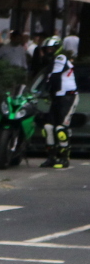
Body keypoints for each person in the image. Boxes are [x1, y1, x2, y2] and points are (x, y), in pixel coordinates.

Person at [39, 41, 78, 169]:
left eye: (51, 49)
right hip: (57, 97)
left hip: (68, 97)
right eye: (47, 49)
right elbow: (47, 80)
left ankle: (64, 158)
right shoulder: (51, 64)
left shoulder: (60, 58)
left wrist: (46, 90)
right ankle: (51, 157)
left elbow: (55, 78)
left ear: (57, 48)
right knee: (48, 127)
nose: (49, 52)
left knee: (60, 129)